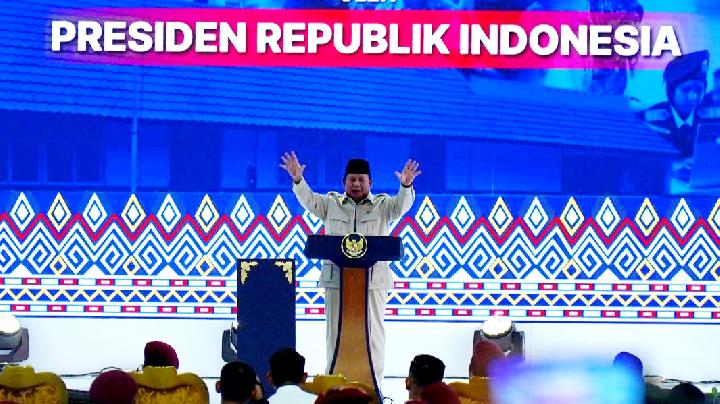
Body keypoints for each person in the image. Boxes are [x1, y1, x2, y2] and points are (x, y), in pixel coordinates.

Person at [281, 152, 420, 384]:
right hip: (337, 282)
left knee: (373, 336)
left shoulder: (382, 206)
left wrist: (406, 186)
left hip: (372, 284)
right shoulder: (330, 204)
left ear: (370, 183)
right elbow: (309, 200)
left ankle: (374, 387)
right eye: (352, 179)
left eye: (361, 179)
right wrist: (298, 180)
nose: (356, 184)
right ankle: (335, 385)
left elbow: (401, 206)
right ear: (344, 182)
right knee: (334, 335)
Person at [644, 50, 710, 159]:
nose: (693, 97)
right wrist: (671, 165)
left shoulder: (710, 119)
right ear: (671, 91)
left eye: (699, 90)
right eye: (686, 90)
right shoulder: (652, 120)